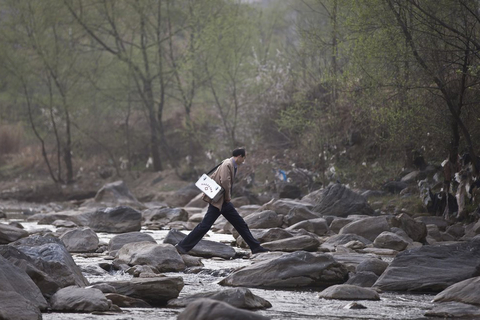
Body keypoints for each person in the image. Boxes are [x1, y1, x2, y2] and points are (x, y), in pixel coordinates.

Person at [175, 148, 269, 255]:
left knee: (240, 224)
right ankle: (182, 246)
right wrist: (228, 196)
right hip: (220, 201)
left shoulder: (230, 164)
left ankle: (255, 247)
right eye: (244, 157)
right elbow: (224, 181)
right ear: (239, 156)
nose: (244, 160)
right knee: (205, 226)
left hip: (222, 202)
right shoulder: (227, 164)